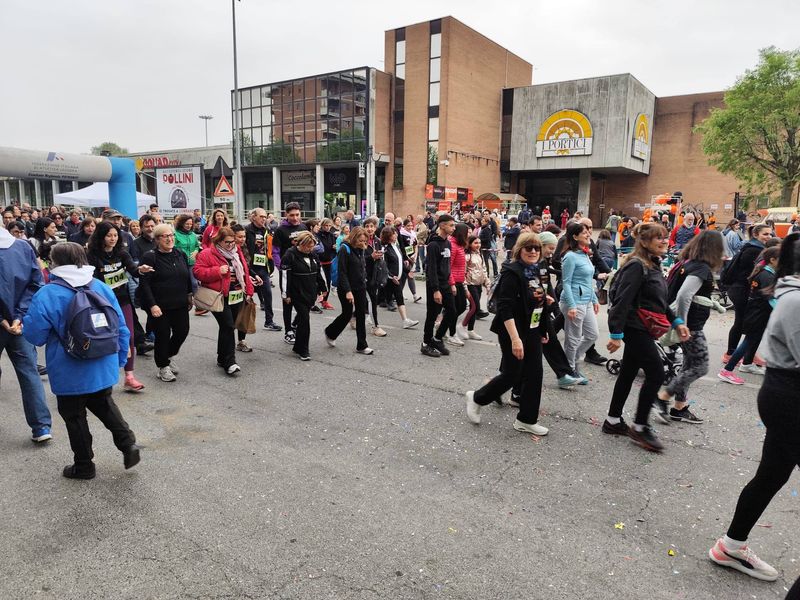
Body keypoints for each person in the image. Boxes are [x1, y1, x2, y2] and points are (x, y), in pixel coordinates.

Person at [708, 233, 800, 582]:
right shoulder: (795, 298)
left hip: (783, 393)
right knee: (771, 474)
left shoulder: (789, 293)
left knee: (772, 475)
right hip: (790, 397)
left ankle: (731, 545)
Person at [22, 242, 140, 479]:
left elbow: (35, 335)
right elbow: (121, 326)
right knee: (104, 404)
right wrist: (119, 359)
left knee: (74, 416)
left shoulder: (48, 293)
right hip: (103, 361)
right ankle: (128, 444)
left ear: (55, 263)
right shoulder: (99, 286)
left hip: (69, 366)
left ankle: (84, 465)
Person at [604, 223, 690, 452]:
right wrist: (615, 334)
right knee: (657, 373)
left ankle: (613, 420)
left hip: (644, 327)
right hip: (635, 327)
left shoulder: (653, 264)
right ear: (644, 241)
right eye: (658, 237)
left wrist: (677, 322)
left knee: (628, 373)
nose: (664, 241)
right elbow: (621, 301)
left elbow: (659, 301)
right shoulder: (636, 265)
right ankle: (640, 426)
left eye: (665, 237)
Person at [465, 233, 550, 436]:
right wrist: (515, 339)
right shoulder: (512, 272)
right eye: (528, 248)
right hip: (512, 329)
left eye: (537, 248)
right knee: (513, 374)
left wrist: (543, 328)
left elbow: (540, 300)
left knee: (535, 374)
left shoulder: (538, 270)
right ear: (519, 250)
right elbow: (505, 307)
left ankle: (526, 420)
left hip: (532, 328)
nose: (533, 252)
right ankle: (477, 398)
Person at [657, 230, 725, 424]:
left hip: (690, 324)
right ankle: (662, 397)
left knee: (688, 365)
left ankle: (679, 407)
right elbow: (684, 296)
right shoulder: (701, 268)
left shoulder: (688, 263)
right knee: (700, 367)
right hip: (691, 326)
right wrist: (682, 324)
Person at [0, 223, 52, 443]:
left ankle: (41, 426)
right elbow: (36, 283)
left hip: (11, 320)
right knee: (29, 372)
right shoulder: (22, 246)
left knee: (29, 372)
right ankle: (41, 426)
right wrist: (19, 316)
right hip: (19, 322)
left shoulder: (22, 246)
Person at [86, 221, 144, 392]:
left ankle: (129, 376)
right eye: (109, 235)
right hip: (100, 304)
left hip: (122, 301)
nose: (113, 239)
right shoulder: (91, 255)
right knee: (104, 339)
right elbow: (90, 280)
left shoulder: (122, 253)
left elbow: (133, 269)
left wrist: (141, 269)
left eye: (115, 235)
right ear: (101, 237)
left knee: (129, 336)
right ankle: (101, 377)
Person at [194, 227, 254, 375]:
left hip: (237, 294)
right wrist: (217, 271)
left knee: (228, 327)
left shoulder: (236, 251)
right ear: (219, 241)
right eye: (227, 242)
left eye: (232, 241)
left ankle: (222, 357)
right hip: (219, 296)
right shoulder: (207, 253)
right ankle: (230, 362)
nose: (231, 244)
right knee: (227, 325)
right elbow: (197, 272)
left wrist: (249, 290)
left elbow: (244, 272)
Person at [137, 224, 193, 382]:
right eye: (165, 236)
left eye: (171, 235)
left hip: (180, 302)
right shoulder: (150, 257)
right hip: (159, 305)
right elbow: (145, 283)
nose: (170, 239)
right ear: (157, 239)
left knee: (182, 331)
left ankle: (168, 355)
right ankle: (163, 367)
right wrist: (152, 305)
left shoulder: (180, 254)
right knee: (162, 335)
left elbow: (186, 276)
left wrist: (189, 294)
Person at [719, 246, 781, 384]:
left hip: (756, 313)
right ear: (772, 260)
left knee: (749, 341)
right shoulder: (767, 276)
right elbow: (771, 299)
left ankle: (737, 367)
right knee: (748, 342)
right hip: (759, 314)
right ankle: (727, 370)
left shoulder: (765, 273)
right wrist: (783, 311)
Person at [723, 224, 773, 364]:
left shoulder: (754, 247)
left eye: (770, 234)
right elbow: (747, 274)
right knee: (741, 322)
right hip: (741, 290)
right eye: (765, 234)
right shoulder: (754, 250)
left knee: (747, 323)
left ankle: (747, 353)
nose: (769, 236)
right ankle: (731, 354)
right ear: (756, 235)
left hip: (741, 289)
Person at [558, 222, 600, 382]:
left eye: (589, 231)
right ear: (575, 237)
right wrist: (572, 305)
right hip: (574, 302)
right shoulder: (570, 256)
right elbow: (566, 282)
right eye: (585, 232)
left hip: (586, 301)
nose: (589, 234)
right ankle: (569, 371)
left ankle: (572, 364)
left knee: (592, 335)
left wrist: (594, 299)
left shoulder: (585, 254)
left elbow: (588, 280)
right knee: (573, 338)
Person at [278, 231, 327, 360]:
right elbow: (284, 276)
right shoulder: (289, 255)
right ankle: (303, 350)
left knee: (302, 319)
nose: (310, 249)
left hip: (310, 292)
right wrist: (285, 294)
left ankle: (297, 346)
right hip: (296, 293)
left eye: (312, 246)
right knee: (305, 320)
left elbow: (319, 271)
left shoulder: (313, 255)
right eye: (307, 246)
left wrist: (323, 288)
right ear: (300, 244)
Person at [324, 227, 373, 354]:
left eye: (365, 241)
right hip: (346, 287)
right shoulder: (344, 249)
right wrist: (348, 291)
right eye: (360, 241)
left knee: (361, 315)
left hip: (360, 286)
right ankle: (330, 332)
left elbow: (361, 266)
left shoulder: (361, 249)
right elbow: (342, 272)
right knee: (347, 314)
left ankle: (362, 345)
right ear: (354, 238)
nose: (363, 243)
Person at [421, 214, 457, 358]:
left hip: (445, 284)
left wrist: (451, 284)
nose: (453, 228)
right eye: (451, 225)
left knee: (452, 312)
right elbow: (431, 269)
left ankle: (437, 339)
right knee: (432, 315)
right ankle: (426, 344)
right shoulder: (433, 245)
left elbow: (447, 266)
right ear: (442, 225)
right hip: (434, 285)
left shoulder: (448, 243)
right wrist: (436, 290)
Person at [272, 202, 307, 345]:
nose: (295, 218)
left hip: (302, 272)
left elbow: (310, 247)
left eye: (297, 214)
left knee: (306, 301)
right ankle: (288, 331)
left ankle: (295, 324)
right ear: (286, 215)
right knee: (288, 301)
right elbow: (275, 251)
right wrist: (281, 267)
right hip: (287, 272)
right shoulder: (280, 230)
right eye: (292, 215)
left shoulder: (303, 227)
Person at [245, 208, 281, 331]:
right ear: (253, 217)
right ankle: (240, 322)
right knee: (246, 296)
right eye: (261, 216)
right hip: (249, 268)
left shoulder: (266, 230)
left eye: (265, 217)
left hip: (262, 268)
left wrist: (270, 264)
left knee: (268, 293)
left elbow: (270, 248)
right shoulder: (247, 230)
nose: (264, 219)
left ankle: (269, 321)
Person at [381, 225, 419, 330]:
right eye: (394, 234)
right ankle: (359, 316)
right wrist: (391, 276)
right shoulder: (385, 249)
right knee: (376, 299)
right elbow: (384, 265)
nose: (396, 235)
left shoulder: (396, 246)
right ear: (388, 236)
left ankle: (405, 320)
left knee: (399, 298)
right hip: (390, 279)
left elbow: (400, 261)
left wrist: (408, 271)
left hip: (397, 278)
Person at [362, 217, 387, 337]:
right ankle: (376, 326)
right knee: (372, 300)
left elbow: (380, 255)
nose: (369, 229)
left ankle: (354, 316)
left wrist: (380, 256)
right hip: (363, 275)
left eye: (371, 226)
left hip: (375, 274)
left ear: (375, 228)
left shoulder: (377, 241)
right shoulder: (361, 241)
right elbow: (358, 260)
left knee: (367, 299)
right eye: (367, 226)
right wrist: (371, 257)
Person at [461, 235, 489, 339]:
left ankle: (470, 330)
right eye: (475, 243)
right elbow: (463, 272)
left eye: (479, 243)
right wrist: (465, 287)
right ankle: (462, 326)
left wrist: (487, 284)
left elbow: (484, 270)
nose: (478, 245)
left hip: (478, 284)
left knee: (474, 308)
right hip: (470, 285)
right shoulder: (467, 256)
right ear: (469, 244)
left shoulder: (480, 254)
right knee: (475, 307)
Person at [317, 218, 338, 310]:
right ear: (322, 225)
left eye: (329, 226)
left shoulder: (332, 236)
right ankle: (318, 299)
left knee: (328, 282)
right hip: (319, 262)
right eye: (326, 225)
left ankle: (325, 301)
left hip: (329, 261)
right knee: (319, 282)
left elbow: (334, 247)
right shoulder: (317, 235)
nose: (328, 227)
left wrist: (335, 247)